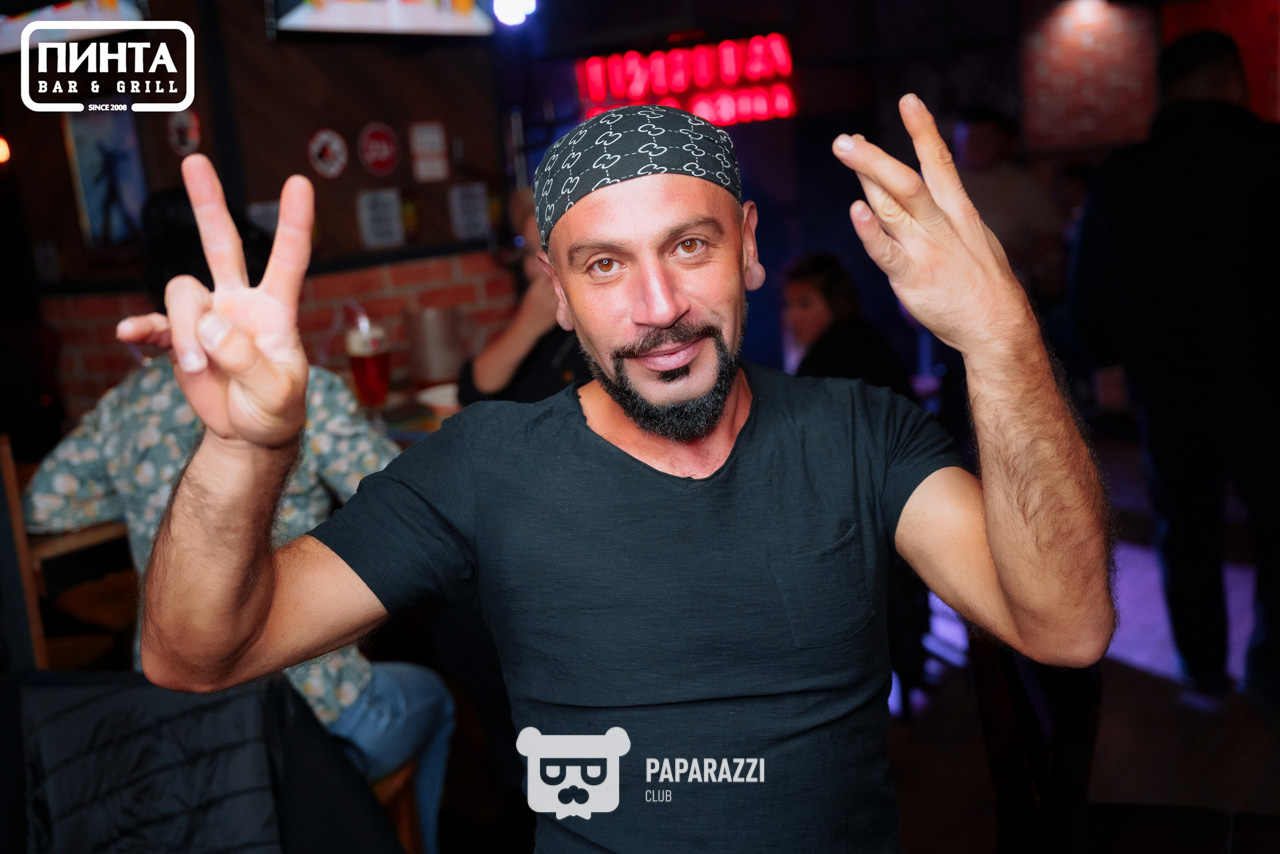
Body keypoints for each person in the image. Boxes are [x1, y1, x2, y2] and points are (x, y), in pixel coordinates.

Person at [121, 98, 1114, 851]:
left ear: (748, 248)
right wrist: (244, 448)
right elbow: (195, 657)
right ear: (556, 293)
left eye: (690, 245)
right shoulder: (483, 462)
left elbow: (1064, 625)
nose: (658, 305)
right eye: (603, 265)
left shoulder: (863, 433)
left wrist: (1001, 337)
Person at [23, 189, 455, 854]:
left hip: (173, 729)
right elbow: (398, 493)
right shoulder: (304, 393)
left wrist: (148, 491)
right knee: (435, 699)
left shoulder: (124, 406)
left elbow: (43, 504)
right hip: (308, 716)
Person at [1071, 31, 1280, 715]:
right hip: (1266, 374)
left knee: (1186, 531)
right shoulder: (1269, 153)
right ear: (1232, 81)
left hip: (1168, 378)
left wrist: (1106, 361)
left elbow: (1089, 277)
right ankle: (1271, 673)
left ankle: (1203, 674)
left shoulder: (1126, 172)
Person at [456, 188, 591, 405]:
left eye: (547, 248)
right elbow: (472, 392)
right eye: (529, 251)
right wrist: (526, 327)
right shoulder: (542, 319)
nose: (537, 266)